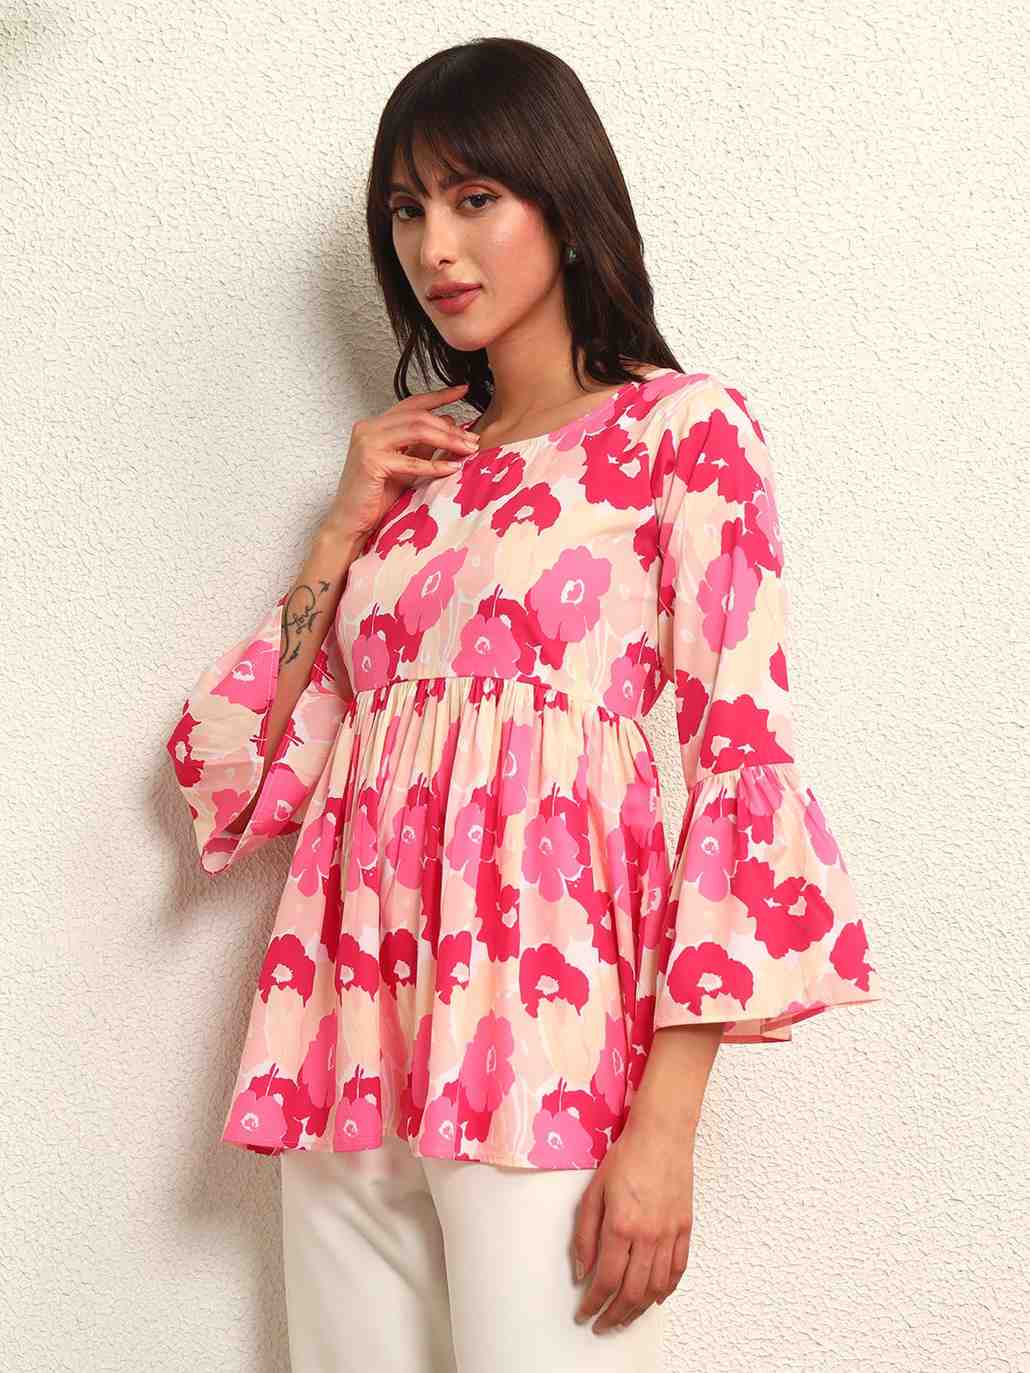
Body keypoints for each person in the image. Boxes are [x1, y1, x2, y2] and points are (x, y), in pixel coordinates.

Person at [165, 35, 883, 1373]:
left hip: (541, 1030)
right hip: (346, 1032)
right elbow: (242, 771)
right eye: (406, 209)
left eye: (473, 197)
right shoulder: (411, 478)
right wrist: (337, 532)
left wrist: (665, 1125)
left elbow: (739, 757)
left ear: (563, 199)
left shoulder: (682, 431)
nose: (433, 246)